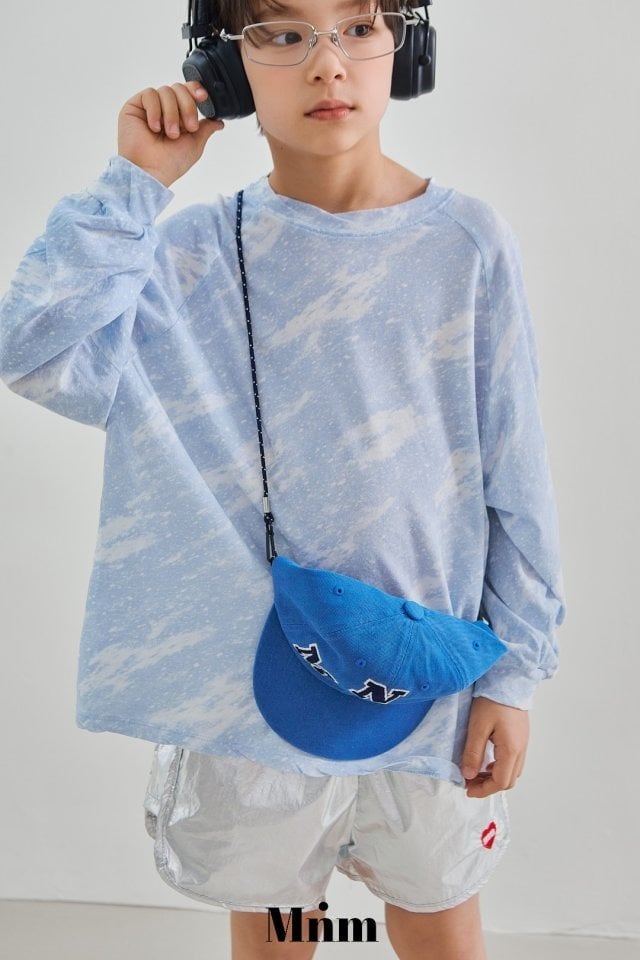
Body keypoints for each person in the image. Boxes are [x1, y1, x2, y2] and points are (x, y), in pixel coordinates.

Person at [0, 1, 565, 957]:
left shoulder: (465, 244)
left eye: (359, 27)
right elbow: (35, 351)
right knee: (281, 926)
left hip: (426, 676)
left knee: (437, 920)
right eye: (282, 33)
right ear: (223, 68)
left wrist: (514, 675)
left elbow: (517, 473)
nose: (327, 65)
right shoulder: (182, 254)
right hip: (249, 692)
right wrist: (135, 185)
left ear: (406, 46)